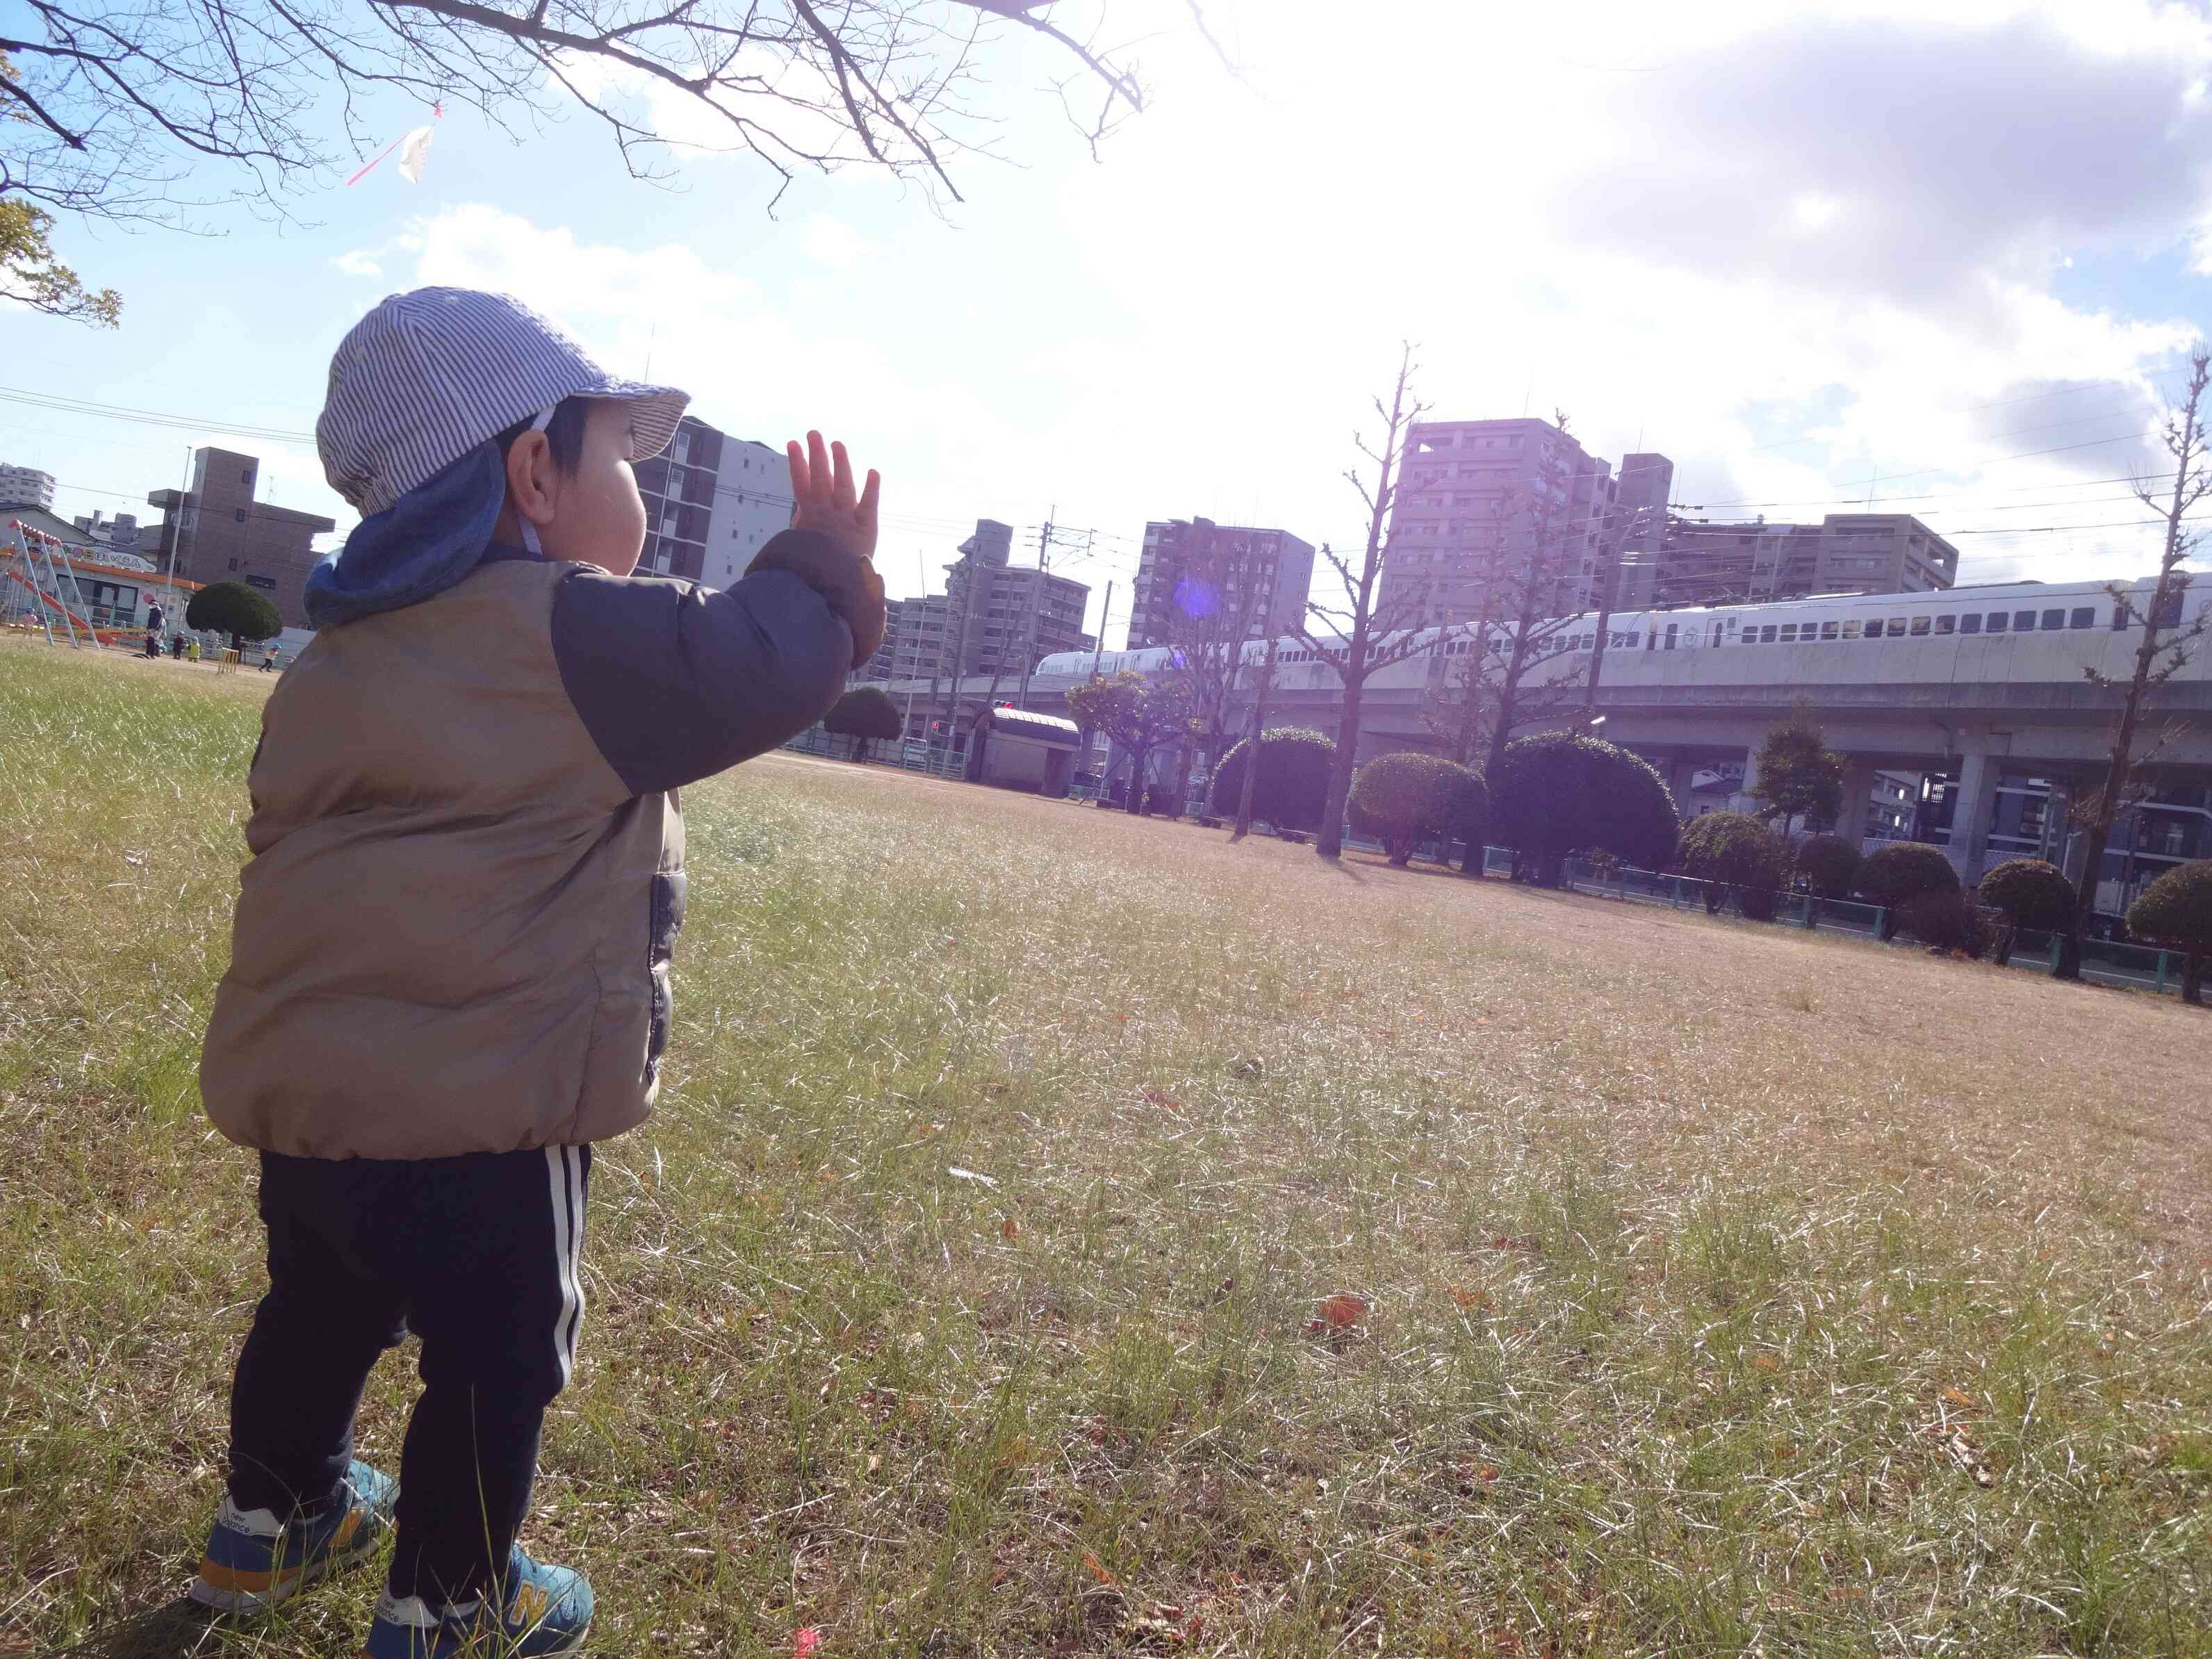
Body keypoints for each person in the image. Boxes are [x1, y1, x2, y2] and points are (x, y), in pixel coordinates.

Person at [186, 288, 884, 1659]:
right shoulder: (574, 629)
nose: (639, 485)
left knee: (316, 1307)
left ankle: (267, 1523)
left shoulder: (329, 663)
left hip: (315, 1101)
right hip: (492, 1116)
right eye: (622, 456)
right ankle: (447, 1599)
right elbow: (752, 664)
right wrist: (822, 568)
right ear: (534, 473)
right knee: (495, 1353)